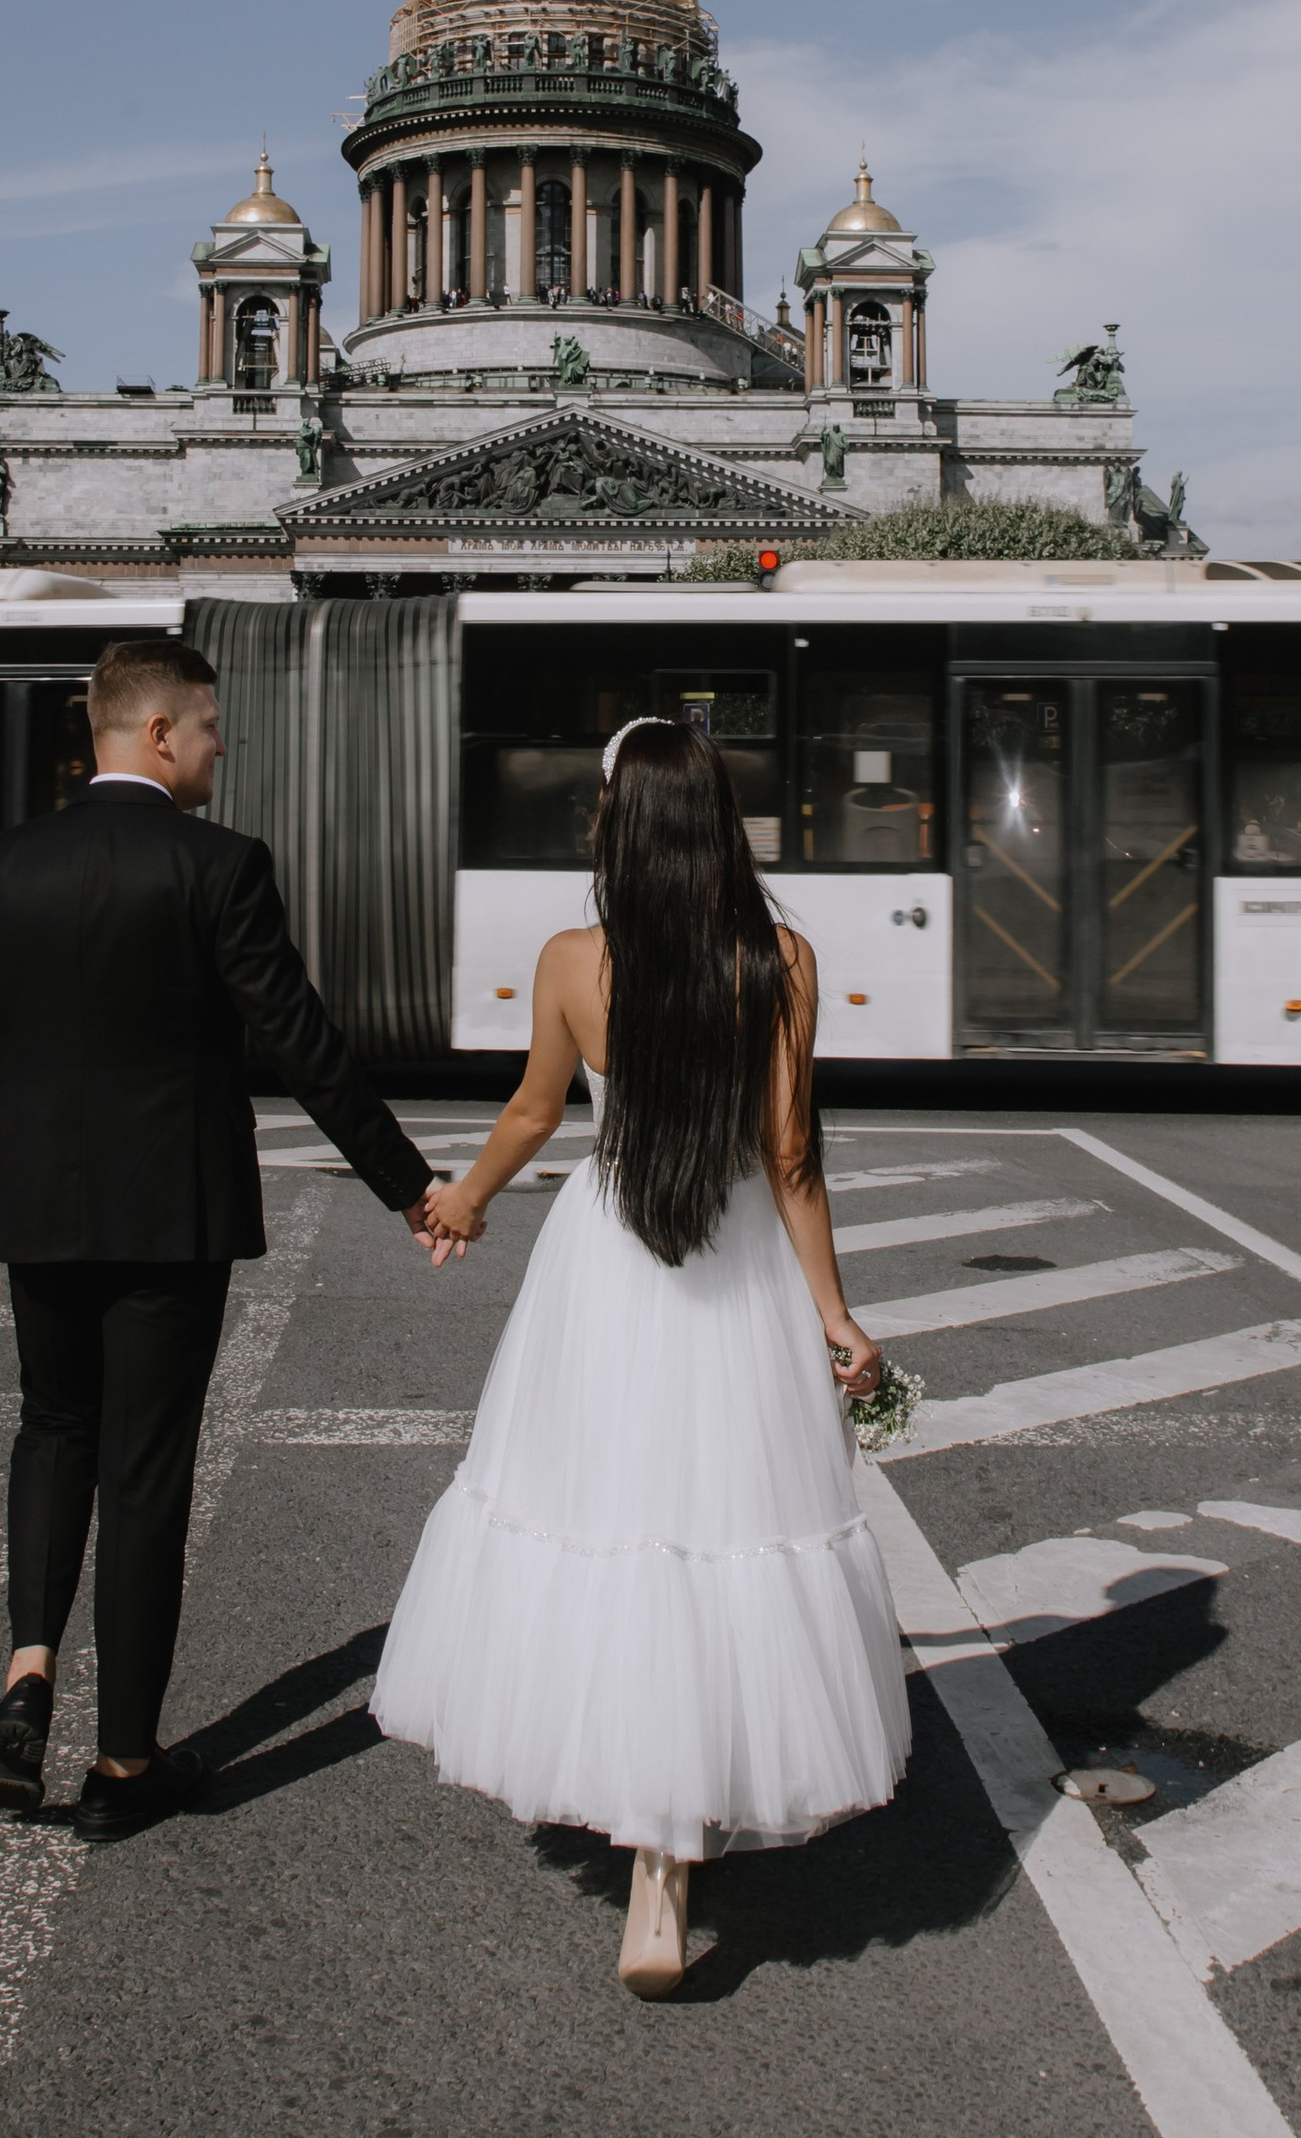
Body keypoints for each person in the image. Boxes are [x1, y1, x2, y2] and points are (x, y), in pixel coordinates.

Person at [373, 717, 911, 1996]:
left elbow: (532, 1110)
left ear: (617, 827)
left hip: (608, 1259)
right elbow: (789, 1155)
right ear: (718, 824)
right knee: (722, 1527)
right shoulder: (779, 959)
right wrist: (835, 1314)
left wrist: (463, 1202)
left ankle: (637, 1821)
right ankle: (668, 1863)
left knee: (606, 1520)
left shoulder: (573, 961)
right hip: (737, 1262)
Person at [0, 632, 444, 1841]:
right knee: (145, 1467)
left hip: (38, 1212)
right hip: (172, 1215)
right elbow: (300, 1040)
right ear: (158, 733)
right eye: (209, 728)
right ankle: (123, 1762)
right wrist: (407, 1184)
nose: (220, 748)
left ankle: (27, 1678)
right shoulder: (218, 866)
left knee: (53, 1429)